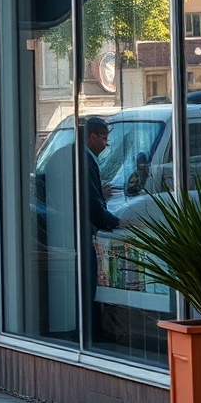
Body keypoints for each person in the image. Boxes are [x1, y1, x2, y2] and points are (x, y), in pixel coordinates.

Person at [82, 116, 128, 342]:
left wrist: (99, 194)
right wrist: (117, 223)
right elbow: (91, 206)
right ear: (92, 137)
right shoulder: (86, 160)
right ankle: (94, 334)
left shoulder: (76, 155)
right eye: (104, 139)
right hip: (83, 236)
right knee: (89, 287)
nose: (106, 145)